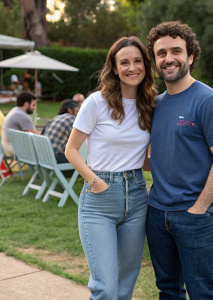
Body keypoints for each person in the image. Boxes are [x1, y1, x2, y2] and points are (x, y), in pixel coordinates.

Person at [146, 21, 213, 299]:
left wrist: (199, 208)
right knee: (168, 290)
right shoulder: (156, 104)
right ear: (156, 60)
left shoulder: (208, 100)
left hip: (196, 216)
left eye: (176, 51)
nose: (168, 58)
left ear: (191, 56)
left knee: (201, 292)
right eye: (161, 53)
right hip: (157, 213)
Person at [65, 36, 157, 299]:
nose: (132, 67)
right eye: (124, 62)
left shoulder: (150, 104)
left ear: (145, 65)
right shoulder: (96, 102)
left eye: (137, 61)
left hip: (138, 195)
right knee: (105, 287)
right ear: (114, 68)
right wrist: (96, 181)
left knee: (126, 283)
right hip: (99, 198)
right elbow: (71, 150)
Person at [42, 99, 79, 164]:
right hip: (56, 157)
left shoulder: (56, 118)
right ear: (70, 110)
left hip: (44, 156)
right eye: (77, 111)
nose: (78, 114)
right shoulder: (71, 119)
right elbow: (79, 139)